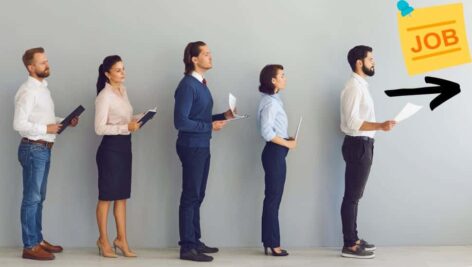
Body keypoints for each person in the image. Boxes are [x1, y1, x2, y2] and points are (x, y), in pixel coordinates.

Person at [13, 47, 79, 260]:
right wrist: (46, 130)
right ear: (31, 67)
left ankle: (38, 239)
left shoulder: (43, 89)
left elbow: (42, 119)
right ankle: (29, 246)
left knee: (39, 198)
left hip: (43, 148)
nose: (46, 65)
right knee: (31, 198)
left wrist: (62, 122)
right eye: (42, 62)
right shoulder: (27, 91)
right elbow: (19, 124)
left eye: (46, 61)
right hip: (33, 148)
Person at [174, 41, 234, 262]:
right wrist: (209, 126)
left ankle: (195, 241)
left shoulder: (201, 84)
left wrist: (223, 116)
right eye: (206, 54)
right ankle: (187, 247)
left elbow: (198, 117)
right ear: (194, 59)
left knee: (197, 195)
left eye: (211, 53)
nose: (211, 57)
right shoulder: (188, 85)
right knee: (190, 196)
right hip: (191, 147)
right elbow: (180, 121)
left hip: (201, 145)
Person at [340, 45, 396, 259]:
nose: (374, 62)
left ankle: (353, 238)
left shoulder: (361, 86)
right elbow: (352, 121)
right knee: (352, 197)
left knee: (355, 196)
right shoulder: (354, 87)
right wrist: (380, 126)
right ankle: (350, 244)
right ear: (359, 62)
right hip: (357, 144)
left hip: (363, 144)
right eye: (371, 59)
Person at [94, 55, 142, 258]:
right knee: (106, 197)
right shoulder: (104, 96)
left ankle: (121, 239)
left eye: (123, 69)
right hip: (110, 150)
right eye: (118, 70)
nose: (123, 73)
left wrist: (138, 119)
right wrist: (125, 126)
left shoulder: (122, 92)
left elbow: (123, 118)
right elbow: (99, 128)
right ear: (107, 74)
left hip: (124, 148)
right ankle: (103, 240)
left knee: (122, 197)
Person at [257, 64, 296, 257]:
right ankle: (273, 243)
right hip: (274, 153)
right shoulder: (271, 103)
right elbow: (266, 132)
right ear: (273, 80)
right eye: (282, 75)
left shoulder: (274, 100)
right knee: (273, 199)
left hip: (277, 151)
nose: (285, 78)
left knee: (273, 198)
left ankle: (269, 241)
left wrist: (286, 139)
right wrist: (287, 144)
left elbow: (275, 130)